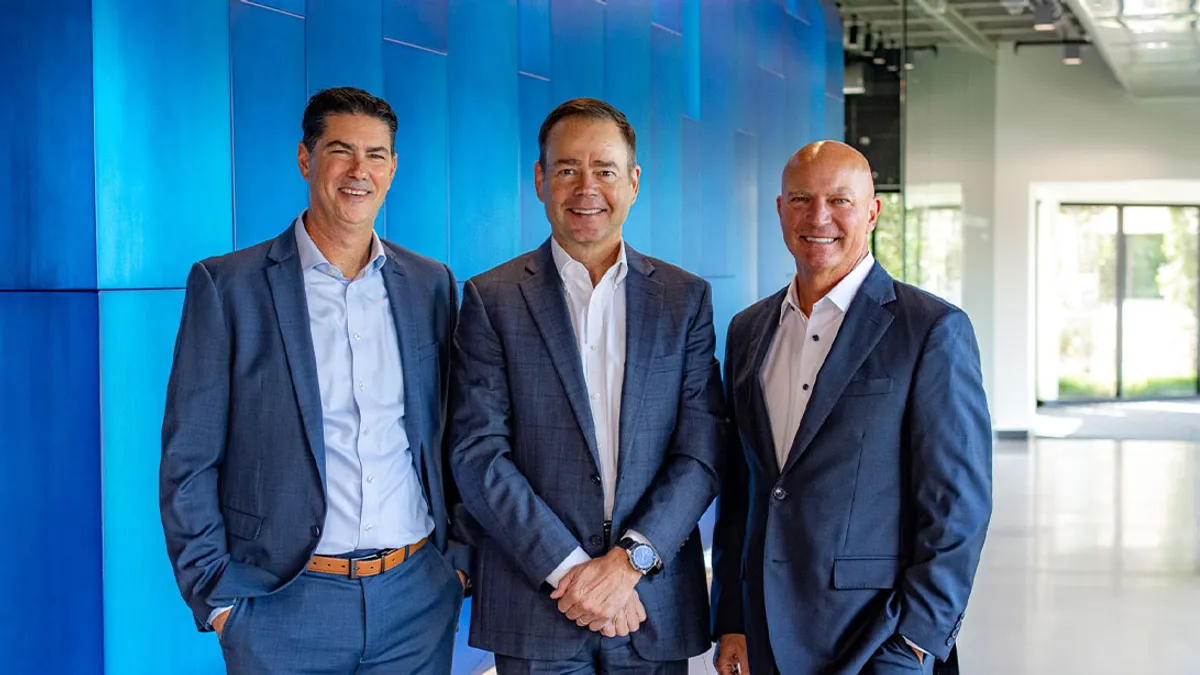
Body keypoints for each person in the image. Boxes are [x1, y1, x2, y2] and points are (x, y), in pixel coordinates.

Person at [160, 87, 468, 674]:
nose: (360, 171)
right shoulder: (229, 287)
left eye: (377, 155)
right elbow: (188, 458)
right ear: (306, 159)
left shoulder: (430, 284)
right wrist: (220, 599)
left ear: (393, 167)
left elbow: (455, 432)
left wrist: (456, 565)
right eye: (341, 151)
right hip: (282, 604)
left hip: (416, 597)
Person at [447, 97, 725, 674]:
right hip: (538, 599)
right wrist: (573, 572)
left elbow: (701, 452)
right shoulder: (491, 299)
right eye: (568, 169)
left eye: (605, 170)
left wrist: (626, 567)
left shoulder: (684, 299)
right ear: (540, 180)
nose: (586, 187)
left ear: (633, 182)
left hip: (650, 604)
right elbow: (478, 454)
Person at [710, 141, 992, 675]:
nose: (819, 217)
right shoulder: (748, 330)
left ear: (872, 211)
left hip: (875, 639)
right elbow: (742, 490)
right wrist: (733, 619)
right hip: (765, 633)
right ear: (779, 209)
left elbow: (958, 506)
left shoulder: (931, 329)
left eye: (840, 200)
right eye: (801, 199)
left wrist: (916, 641)